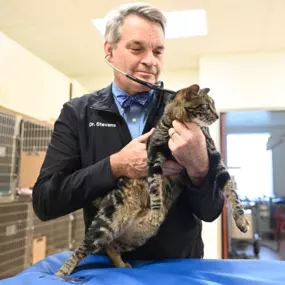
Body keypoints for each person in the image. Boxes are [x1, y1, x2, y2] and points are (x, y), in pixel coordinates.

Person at [32, 3, 224, 260]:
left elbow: (211, 211)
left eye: (158, 51)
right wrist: (114, 166)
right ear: (109, 51)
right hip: (110, 267)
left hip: (178, 268)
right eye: (137, 48)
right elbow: (45, 202)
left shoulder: (186, 110)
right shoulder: (77, 113)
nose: (150, 61)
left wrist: (200, 168)